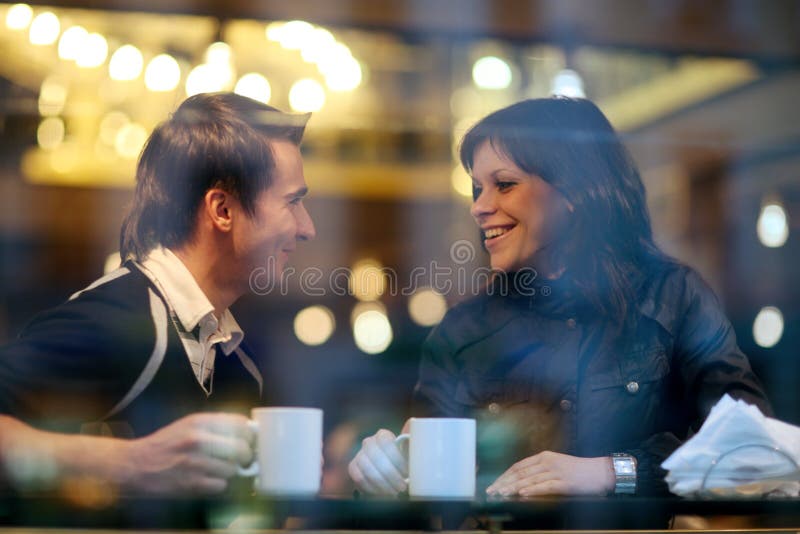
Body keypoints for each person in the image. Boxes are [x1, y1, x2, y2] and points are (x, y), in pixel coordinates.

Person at [348, 97, 770, 498]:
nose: (480, 206)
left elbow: (749, 444)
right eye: (478, 188)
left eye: (505, 185)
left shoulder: (672, 297)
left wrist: (611, 472)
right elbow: (427, 485)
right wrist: (386, 468)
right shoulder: (463, 329)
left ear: (573, 194)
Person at [0, 92, 315, 495]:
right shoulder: (115, 321)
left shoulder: (237, 362)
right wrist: (133, 462)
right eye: (293, 203)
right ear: (222, 210)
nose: (308, 229)